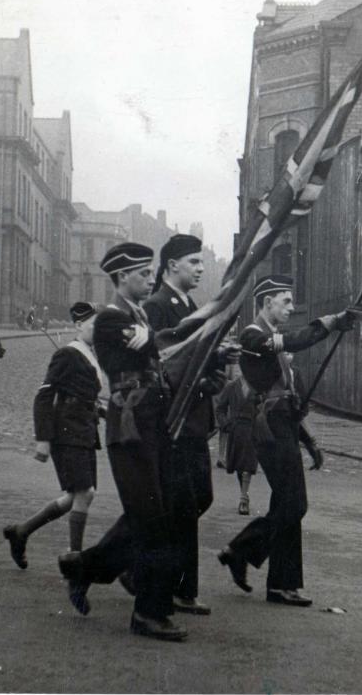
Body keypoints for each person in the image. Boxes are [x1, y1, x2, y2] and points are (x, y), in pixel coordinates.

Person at [57, 242, 192, 641]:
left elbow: (156, 342)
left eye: (150, 272)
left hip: (152, 425)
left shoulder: (137, 316)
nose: (150, 279)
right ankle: (147, 614)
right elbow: (159, 343)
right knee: (152, 520)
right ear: (120, 279)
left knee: (151, 515)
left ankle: (83, 568)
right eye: (142, 274)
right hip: (130, 428)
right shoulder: (111, 320)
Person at [217, 275, 354, 606]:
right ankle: (240, 550)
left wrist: (310, 441)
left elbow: (290, 399)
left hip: (284, 426)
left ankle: (282, 584)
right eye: (286, 302)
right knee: (295, 504)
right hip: (268, 429)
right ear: (267, 304)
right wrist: (330, 323)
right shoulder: (253, 336)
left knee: (286, 504)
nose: (291, 308)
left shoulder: (271, 341)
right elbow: (294, 340)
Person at [143, 233, 224, 616]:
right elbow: (163, 363)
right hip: (174, 421)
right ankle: (180, 589)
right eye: (194, 262)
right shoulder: (159, 307)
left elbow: (196, 358)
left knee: (198, 498)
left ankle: (116, 560)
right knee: (184, 503)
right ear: (172, 265)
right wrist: (203, 377)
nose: (201, 268)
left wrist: (216, 363)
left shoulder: (188, 305)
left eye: (202, 262)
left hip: (192, 418)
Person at [3, 302, 104, 567]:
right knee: (85, 493)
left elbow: (84, 393)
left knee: (76, 496)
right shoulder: (69, 354)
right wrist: (43, 439)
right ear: (78, 325)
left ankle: (21, 532)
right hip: (67, 432)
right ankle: (74, 558)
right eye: (95, 325)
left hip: (85, 430)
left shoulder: (90, 353)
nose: (100, 330)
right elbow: (44, 394)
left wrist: (102, 410)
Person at [215, 366, 257, 516]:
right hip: (236, 430)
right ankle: (243, 492)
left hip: (252, 430)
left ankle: (243, 499)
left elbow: (264, 408)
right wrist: (226, 424)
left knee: (248, 466)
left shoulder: (257, 386)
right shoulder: (231, 387)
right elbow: (220, 408)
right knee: (240, 466)